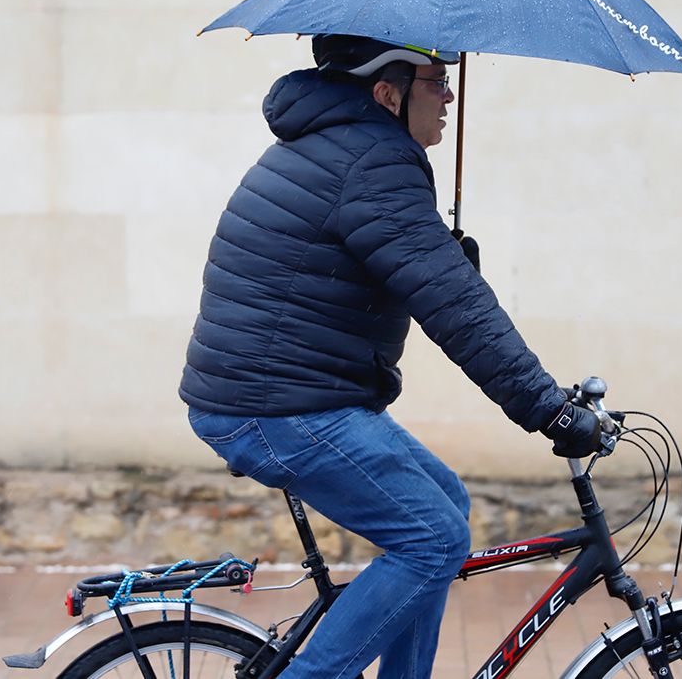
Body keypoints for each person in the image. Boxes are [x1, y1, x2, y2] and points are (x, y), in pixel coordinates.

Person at [180, 34, 602, 679]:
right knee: (433, 538)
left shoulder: (344, 147)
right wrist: (549, 410)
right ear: (387, 92)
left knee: (445, 504)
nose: (450, 94)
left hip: (280, 395)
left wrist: (443, 257)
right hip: (276, 407)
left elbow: (399, 274)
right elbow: (456, 309)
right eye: (435, 82)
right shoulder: (374, 163)